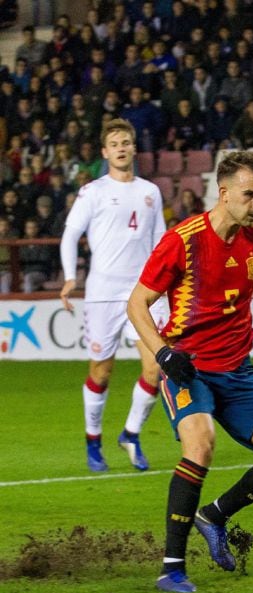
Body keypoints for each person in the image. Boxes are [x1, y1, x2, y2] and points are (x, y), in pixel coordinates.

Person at [127, 150, 253, 593]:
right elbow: (137, 304)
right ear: (224, 194)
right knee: (200, 446)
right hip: (189, 369)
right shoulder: (182, 241)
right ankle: (171, 567)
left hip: (237, 370)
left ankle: (215, 515)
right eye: (250, 195)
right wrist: (164, 354)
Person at [59, 119, 168, 473]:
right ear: (105, 152)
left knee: (155, 367)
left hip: (141, 292)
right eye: (115, 143)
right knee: (102, 371)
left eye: (126, 142)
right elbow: (70, 234)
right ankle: (93, 441)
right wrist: (71, 276)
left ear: (134, 148)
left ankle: (131, 434)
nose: (121, 147)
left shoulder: (151, 191)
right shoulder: (93, 192)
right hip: (103, 292)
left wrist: (165, 285)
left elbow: (160, 244)